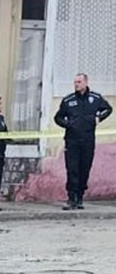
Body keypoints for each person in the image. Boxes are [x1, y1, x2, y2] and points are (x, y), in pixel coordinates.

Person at [54, 73, 112, 210]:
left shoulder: (95, 98)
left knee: (84, 169)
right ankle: (71, 197)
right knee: (72, 169)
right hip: (72, 141)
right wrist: (68, 124)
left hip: (88, 140)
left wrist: (98, 118)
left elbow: (108, 109)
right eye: (75, 82)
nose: (76, 84)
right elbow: (58, 118)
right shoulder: (68, 100)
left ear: (86, 82)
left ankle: (80, 196)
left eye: (79, 82)